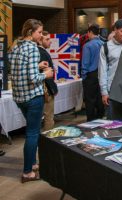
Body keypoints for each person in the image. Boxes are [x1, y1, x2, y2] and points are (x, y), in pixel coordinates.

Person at [9, 19, 53, 183]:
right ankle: (28, 172)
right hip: (33, 97)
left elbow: (19, 70)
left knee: (31, 131)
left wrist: (37, 65)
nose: (41, 35)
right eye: (40, 32)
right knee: (33, 133)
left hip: (19, 97)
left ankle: (33, 164)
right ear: (30, 33)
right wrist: (46, 74)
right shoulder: (33, 48)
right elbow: (33, 78)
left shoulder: (15, 47)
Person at [98, 19, 122, 118]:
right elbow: (102, 71)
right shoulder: (106, 47)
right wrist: (104, 92)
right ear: (115, 30)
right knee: (113, 122)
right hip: (113, 90)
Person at [81, 24, 104, 121]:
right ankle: (101, 118)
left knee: (90, 100)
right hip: (101, 73)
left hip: (91, 75)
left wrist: (83, 76)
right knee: (99, 97)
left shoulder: (88, 45)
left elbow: (85, 63)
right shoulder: (104, 43)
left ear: (90, 32)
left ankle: (90, 121)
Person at [38, 31, 58, 131]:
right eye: (47, 39)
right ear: (40, 41)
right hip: (46, 90)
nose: (50, 41)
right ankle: (48, 142)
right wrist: (53, 89)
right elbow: (47, 75)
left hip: (43, 89)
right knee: (49, 118)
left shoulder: (42, 52)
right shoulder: (41, 53)